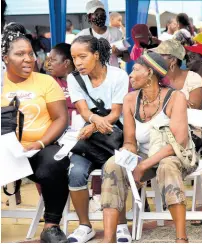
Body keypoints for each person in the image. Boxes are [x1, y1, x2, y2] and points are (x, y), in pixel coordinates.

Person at [101, 51, 193, 243]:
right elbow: (130, 141)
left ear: (150, 73)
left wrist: (143, 166)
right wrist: (128, 156)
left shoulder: (176, 98)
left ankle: (181, 238)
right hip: (144, 153)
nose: (130, 75)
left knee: (167, 166)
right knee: (112, 165)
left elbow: (178, 143)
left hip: (173, 153)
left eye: (135, 70)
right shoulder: (130, 100)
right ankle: (108, 239)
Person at [1, 28, 70, 243]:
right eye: (20, 54)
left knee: (54, 160)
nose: (28, 59)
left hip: (38, 148)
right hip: (5, 151)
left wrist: (40, 143)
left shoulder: (45, 82)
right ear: (5, 58)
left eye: (30, 53)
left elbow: (60, 118)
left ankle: (51, 226)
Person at [66, 36, 129, 243]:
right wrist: (93, 122)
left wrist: (94, 124)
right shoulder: (74, 78)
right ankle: (85, 226)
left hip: (115, 135)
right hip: (91, 137)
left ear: (96, 55)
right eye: (74, 58)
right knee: (75, 172)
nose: (78, 62)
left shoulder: (119, 75)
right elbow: (84, 111)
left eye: (82, 56)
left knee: (114, 170)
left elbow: (116, 112)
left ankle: (121, 225)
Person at [152, 39, 202, 109]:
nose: (156, 58)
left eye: (161, 55)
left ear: (173, 60)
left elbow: (194, 108)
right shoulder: (155, 77)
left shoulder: (193, 78)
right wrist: (182, 102)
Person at [76, 0, 129, 67]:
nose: (100, 16)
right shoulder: (82, 35)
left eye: (102, 13)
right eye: (96, 14)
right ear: (89, 17)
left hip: (113, 74)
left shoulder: (116, 32)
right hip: (92, 75)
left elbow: (128, 58)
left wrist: (119, 53)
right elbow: (75, 58)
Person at [47, 43, 76, 124]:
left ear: (66, 63)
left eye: (53, 60)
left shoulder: (83, 81)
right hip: (57, 127)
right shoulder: (49, 81)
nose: (48, 64)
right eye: (48, 60)